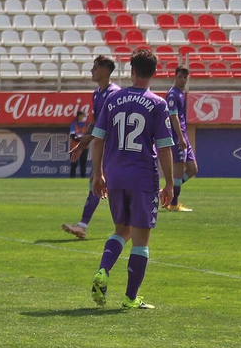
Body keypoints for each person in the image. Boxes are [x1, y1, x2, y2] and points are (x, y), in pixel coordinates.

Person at [89, 48, 174, 310]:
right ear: (155, 72)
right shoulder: (158, 104)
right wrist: (170, 182)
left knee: (121, 230)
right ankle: (130, 298)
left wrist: (97, 173)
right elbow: (163, 147)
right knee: (140, 238)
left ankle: (103, 270)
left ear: (132, 70)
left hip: (115, 175)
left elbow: (98, 138)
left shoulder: (112, 99)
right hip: (142, 178)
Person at [62, 56, 121, 240]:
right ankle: (83, 225)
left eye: (95, 67)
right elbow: (95, 122)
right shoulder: (97, 94)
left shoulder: (115, 94)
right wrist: (83, 145)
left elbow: (110, 125)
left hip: (116, 148)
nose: (91, 71)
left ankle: (128, 227)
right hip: (104, 146)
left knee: (106, 184)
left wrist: (89, 141)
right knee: (98, 183)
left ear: (105, 70)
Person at [163, 65, 197, 212]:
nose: (182, 80)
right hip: (177, 136)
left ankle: (167, 191)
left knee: (192, 169)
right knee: (177, 171)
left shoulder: (181, 94)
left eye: (185, 77)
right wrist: (180, 137)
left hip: (183, 135)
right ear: (175, 77)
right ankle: (174, 204)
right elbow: (173, 116)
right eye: (180, 77)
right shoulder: (172, 94)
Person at [68, 112, 89, 179]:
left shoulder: (87, 125)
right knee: (74, 164)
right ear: (79, 117)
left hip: (84, 147)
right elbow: (72, 135)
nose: (85, 117)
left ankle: (83, 178)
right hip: (74, 147)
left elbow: (89, 135)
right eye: (83, 116)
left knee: (83, 164)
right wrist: (81, 141)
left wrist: (83, 142)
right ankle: (72, 179)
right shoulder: (74, 124)